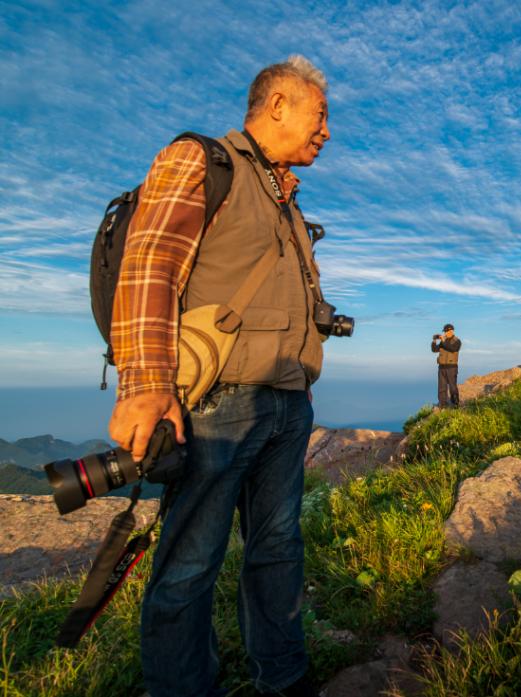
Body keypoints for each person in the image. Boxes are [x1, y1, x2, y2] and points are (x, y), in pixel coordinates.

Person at [108, 56, 331, 697]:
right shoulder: (202, 161)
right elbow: (150, 266)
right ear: (278, 103)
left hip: (287, 403)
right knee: (188, 565)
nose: (326, 132)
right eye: (320, 115)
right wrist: (145, 386)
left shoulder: (283, 194)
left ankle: (284, 680)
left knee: (279, 549)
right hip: (217, 408)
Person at [431, 324, 461, 407]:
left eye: (446, 331)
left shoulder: (457, 341)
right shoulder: (443, 341)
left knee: (452, 387)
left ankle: (455, 404)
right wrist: (434, 340)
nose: (445, 333)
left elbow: (452, 348)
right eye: (444, 332)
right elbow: (434, 350)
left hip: (451, 367)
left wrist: (443, 340)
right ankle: (442, 405)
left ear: (451, 331)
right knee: (441, 388)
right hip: (441, 368)